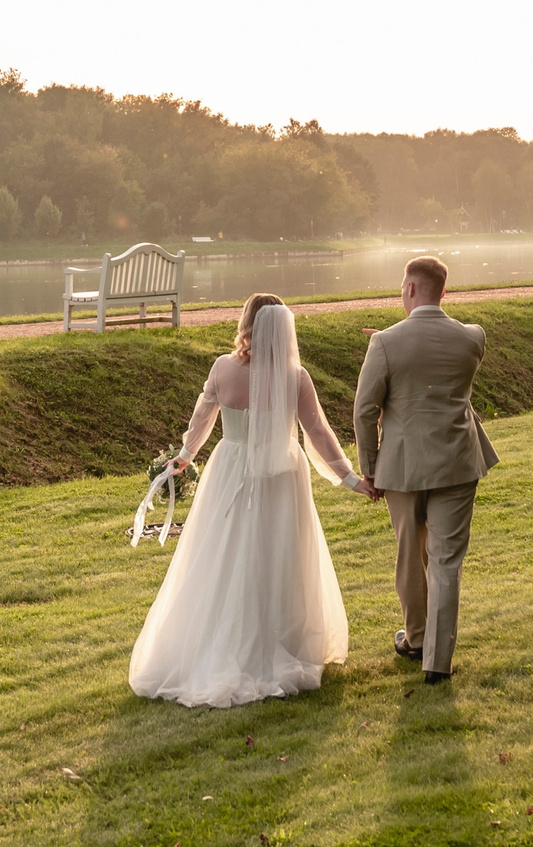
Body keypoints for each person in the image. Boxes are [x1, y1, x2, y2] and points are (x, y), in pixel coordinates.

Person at [129, 294, 373, 708]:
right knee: (279, 553)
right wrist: (349, 478)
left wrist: (186, 455)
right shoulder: (296, 377)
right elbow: (317, 432)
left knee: (223, 550)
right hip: (281, 474)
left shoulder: (223, 368)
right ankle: (279, 639)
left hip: (231, 467)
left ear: (247, 324)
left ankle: (221, 639)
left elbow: (203, 417)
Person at [353, 255, 494, 685]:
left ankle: (415, 639)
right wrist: (392, 345)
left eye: (402, 287)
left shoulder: (386, 343)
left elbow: (364, 411)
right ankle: (437, 662)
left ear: (411, 288)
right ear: (444, 292)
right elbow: (434, 365)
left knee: (411, 558)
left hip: (403, 464)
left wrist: (370, 468)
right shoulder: (472, 338)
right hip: (457, 460)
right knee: (446, 562)